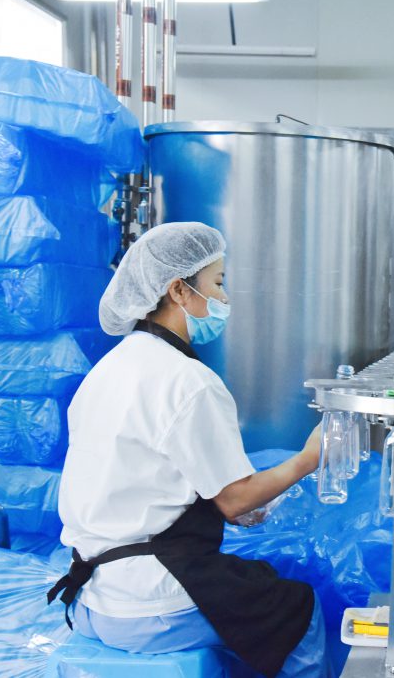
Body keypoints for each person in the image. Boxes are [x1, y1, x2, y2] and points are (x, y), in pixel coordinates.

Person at [48, 223, 326, 678]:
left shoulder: (108, 369)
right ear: (179, 290)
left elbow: (144, 474)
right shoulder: (187, 380)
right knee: (298, 610)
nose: (225, 299)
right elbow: (236, 498)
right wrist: (309, 458)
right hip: (149, 606)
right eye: (217, 282)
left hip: (91, 599)